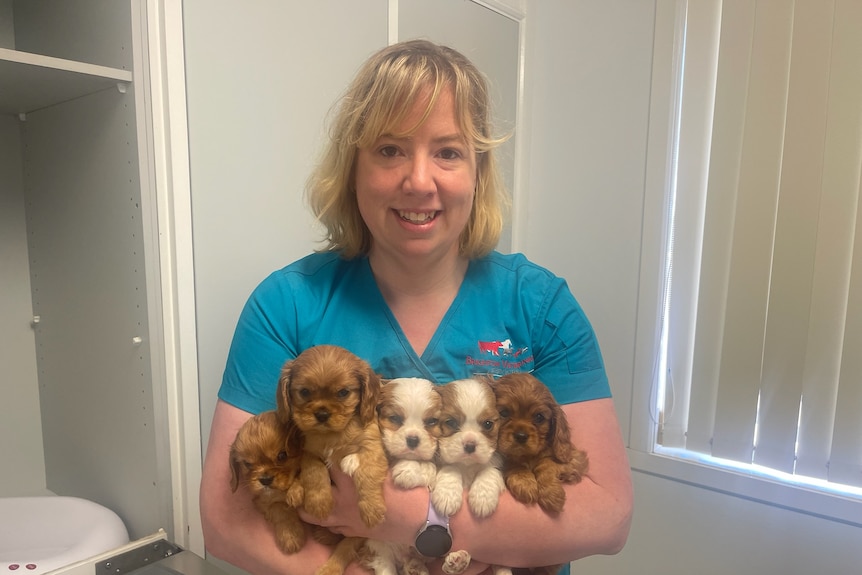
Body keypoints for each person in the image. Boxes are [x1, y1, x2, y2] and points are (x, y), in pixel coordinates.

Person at [199, 39, 633, 575]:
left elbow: (608, 517)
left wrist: (418, 519)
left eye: (448, 152)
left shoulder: (541, 306)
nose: (419, 180)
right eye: (389, 150)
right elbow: (225, 522)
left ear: (478, 172)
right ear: (352, 167)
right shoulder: (284, 305)